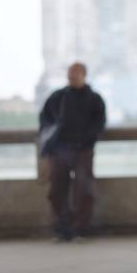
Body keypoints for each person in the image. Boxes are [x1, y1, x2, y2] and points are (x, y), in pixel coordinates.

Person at [39, 62, 106, 241]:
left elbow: (99, 123)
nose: (72, 76)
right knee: (56, 190)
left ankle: (80, 229)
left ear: (84, 74)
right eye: (70, 72)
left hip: (83, 150)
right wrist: (51, 141)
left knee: (84, 190)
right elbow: (45, 120)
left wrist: (88, 140)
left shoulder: (94, 99)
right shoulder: (57, 97)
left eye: (76, 73)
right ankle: (61, 229)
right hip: (59, 150)